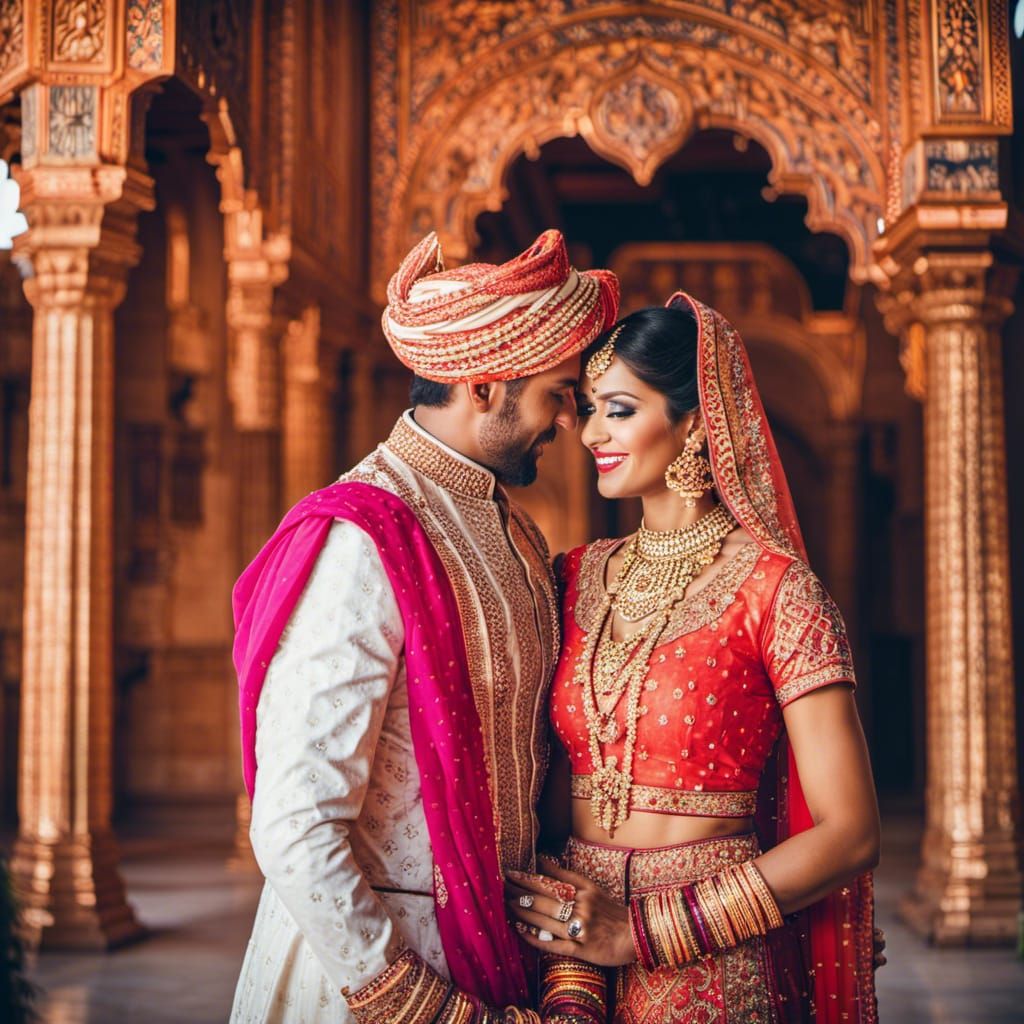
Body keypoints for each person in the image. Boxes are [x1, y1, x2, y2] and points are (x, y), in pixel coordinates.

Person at [229, 229, 619, 1023]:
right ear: (483, 385)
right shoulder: (363, 537)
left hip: (495, 952)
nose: (570, 421)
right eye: (559, 392)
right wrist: (413, 1003)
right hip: (371, 974)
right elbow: (296, 825)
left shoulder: (512, 530)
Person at [508, 293, 880, 1023]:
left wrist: (641, 931)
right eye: (586, 409)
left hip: (711, 953)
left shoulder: (777, 592)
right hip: (569, 946)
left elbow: (851, 831)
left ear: (696, 424)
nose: (588, 434)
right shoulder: (571, 576)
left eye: (617, 409)